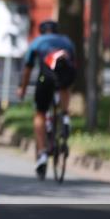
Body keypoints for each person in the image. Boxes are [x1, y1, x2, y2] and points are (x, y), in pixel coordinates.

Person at [17, 20, 77, 179]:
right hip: (66, 75)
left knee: (40, 113)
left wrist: (22, 89)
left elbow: (28, 69)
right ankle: (65, 117)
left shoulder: (37, 42)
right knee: (64, 86)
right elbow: (74, 64)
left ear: (42, 31)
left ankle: (42, 153)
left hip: (46, 78)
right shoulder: (67, 41)